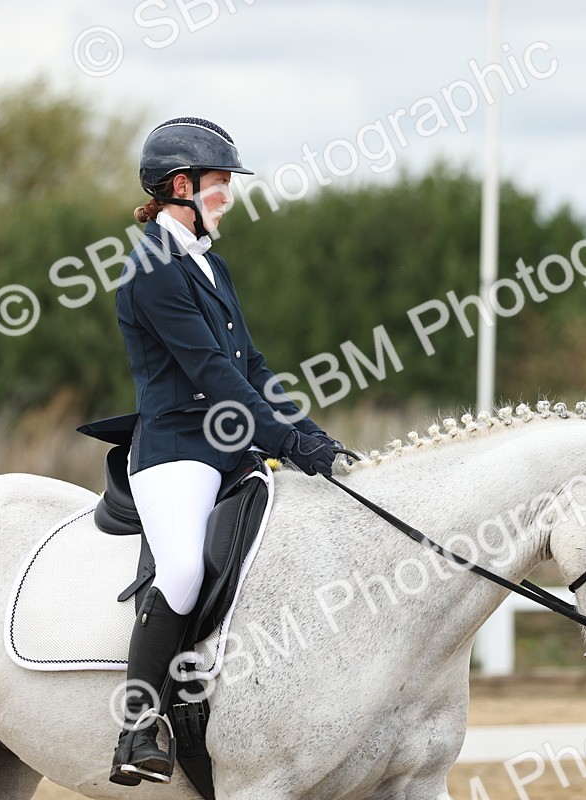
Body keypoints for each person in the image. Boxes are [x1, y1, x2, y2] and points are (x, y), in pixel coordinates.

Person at [108, 117, 342, 785]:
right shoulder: (151, 269)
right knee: (182, 570)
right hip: (176, 448)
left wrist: (312, 436)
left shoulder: (209, 263)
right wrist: (286, 440)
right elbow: (212, 375)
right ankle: (137, 727)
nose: (229, 196)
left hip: (228, 448)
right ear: (181, 186)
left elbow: (252, 366)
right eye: (220, 183)